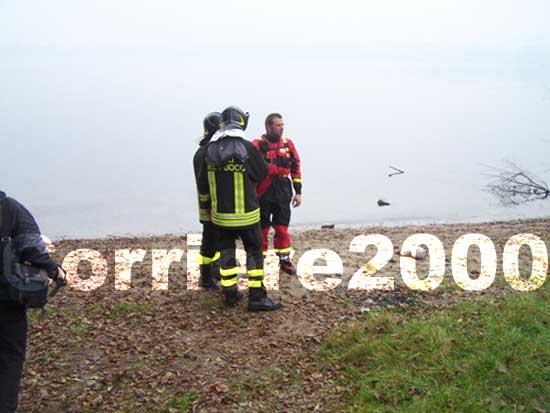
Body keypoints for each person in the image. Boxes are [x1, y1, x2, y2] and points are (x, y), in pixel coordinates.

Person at [197, 106, 283, 311]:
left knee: (226, 253)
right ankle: (256, 298)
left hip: (220, 218)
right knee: (254, 254)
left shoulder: (209, 150)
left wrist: (206, 212)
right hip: (247, 215)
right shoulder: (247, 147)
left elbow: (203, 185)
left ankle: (230, 294)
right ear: (240, 123)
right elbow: (262, 173)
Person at [0, 191, 62, 413]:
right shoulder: (9, 208)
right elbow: (32, 248)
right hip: (6, 300)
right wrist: (55, 270)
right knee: (9, 360)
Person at [252, 113, 302, 275]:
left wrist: (298, 192)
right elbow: (249, 169)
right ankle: (260, 261)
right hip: (264, 189)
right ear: (268, 126)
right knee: (262, 228)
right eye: (278, 125)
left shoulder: (288, 145)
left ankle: (285, 260)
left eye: (282, 125)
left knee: (282, 227)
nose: (282, 128)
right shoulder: (257, 145)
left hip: (282, 189)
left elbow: (295, 168)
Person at [193, 112, 223, 289]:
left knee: (217, 238)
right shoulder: (205, 153)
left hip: (214, 205)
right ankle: (205, 276)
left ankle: (214, 270)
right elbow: (203, 183)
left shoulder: (208, 150)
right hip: (209, 206)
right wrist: (207, 207)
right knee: (210, 239)